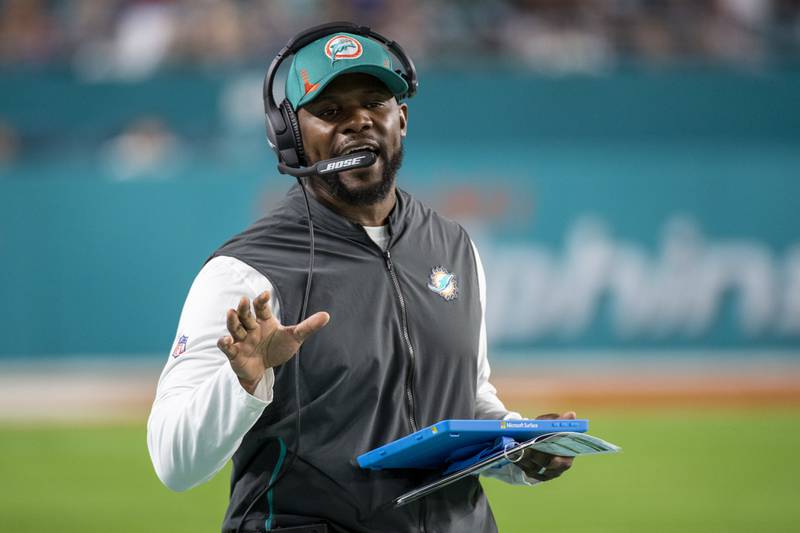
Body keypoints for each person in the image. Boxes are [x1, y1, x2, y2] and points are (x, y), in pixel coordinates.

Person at [147, 24, 576, 533]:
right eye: (330, 112)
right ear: (290, 136)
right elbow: (173, 463)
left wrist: (515, 444)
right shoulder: (245, 272)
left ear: (403, 119)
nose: (358, 123)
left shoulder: (454, 247)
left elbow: (467, 395)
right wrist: (244, 380)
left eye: (374, 104)